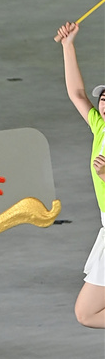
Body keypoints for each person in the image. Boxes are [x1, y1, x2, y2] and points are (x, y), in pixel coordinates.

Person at [57, 22, 105, 329]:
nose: (102, 100)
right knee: (85, 313)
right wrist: (68, 45)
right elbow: (76, 93)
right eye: (103, 96)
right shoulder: (100, 129)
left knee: (86, 313)